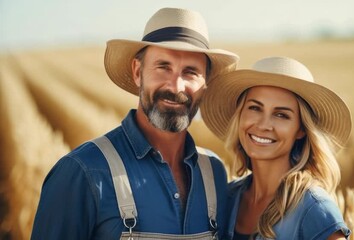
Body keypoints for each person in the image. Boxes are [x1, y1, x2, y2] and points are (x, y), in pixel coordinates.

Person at [31, 7, 239, 240]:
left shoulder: (214, 173)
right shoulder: (83, 172)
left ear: (205, 84)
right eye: (163, 67)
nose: (176, 87)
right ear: (138, 72)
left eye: (190, 72)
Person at [200, 56, 352, 240]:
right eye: (255, 108)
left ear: (301, 130)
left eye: (281, 115)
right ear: (240, 115)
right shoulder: (225, 199)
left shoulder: (314, 210)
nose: (264, 125)